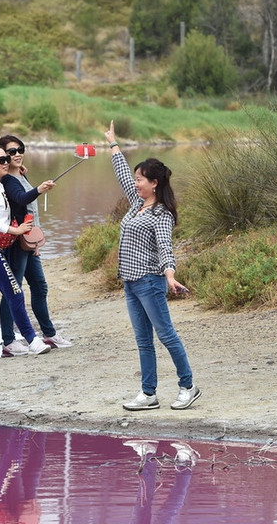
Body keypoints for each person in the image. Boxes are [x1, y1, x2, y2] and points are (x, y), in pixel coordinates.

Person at [104, 121, 201, 411]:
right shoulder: (136, 203)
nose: (135, 183)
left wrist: (170, 276)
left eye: (140, 180)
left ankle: (188, 386)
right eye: (135, 179)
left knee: (167, 335)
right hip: (131, 283)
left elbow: (165, 248)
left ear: (154, 183)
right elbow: (122, 175)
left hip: (150, 282)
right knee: (143, 341)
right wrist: (113, 143)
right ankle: (149, 394)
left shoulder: (162, 214)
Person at [0, 144, 51, 359]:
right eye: (1, 160)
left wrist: (20, 173)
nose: (6, 162)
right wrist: (16, 229)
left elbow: (15, 198)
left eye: (7, 159)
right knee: (15, 292)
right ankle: (33, 340)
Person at [0, 135, 73, 353]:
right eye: (11, 152)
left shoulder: (18, 175)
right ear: (2, 156)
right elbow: (21, 199)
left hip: (29, 242)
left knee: (39, 286)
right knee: (13, 289)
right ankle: (8, 341)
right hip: (15, 242)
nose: (18, 154)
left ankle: (49, 335)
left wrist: (37, 243)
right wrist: (38, 189)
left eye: (20, 149)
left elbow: (29, 208)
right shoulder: (6, 181)